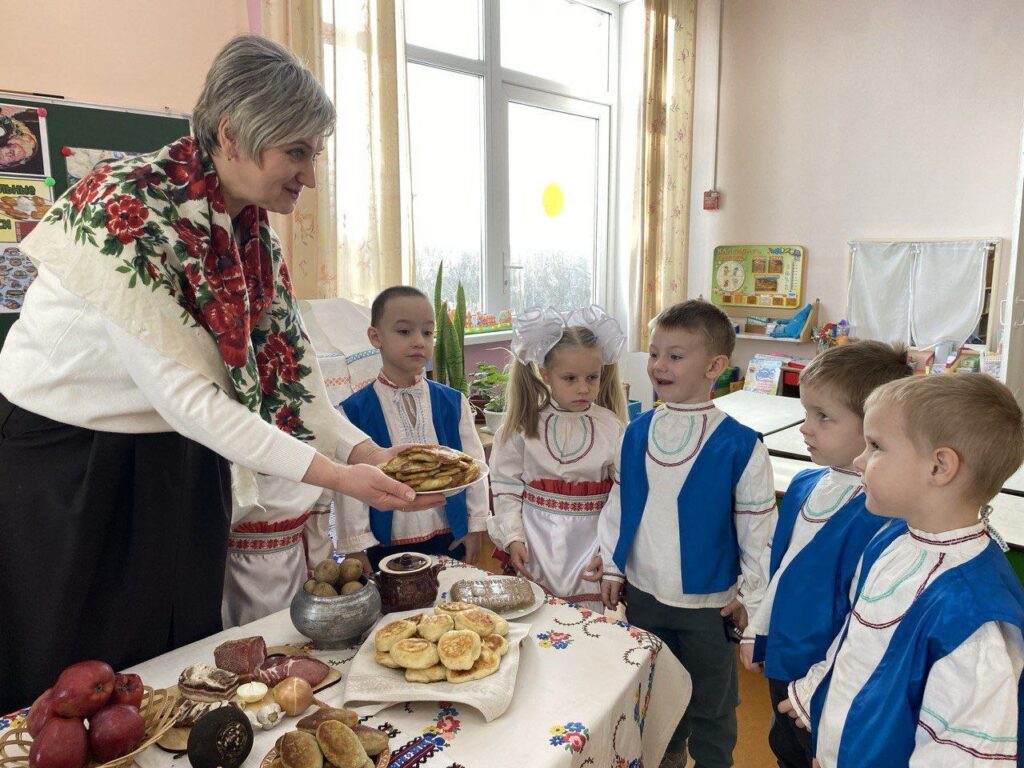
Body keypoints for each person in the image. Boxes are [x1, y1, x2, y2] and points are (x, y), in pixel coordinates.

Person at [0, 35, 441, 712]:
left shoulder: (248, 234)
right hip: (72, 461)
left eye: (313, 153)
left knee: (178, 656)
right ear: (233, 137)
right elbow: (189, 400)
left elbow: (292, 375)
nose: (311, 175)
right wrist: (336, 476)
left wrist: (366, 452)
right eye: (297, 152)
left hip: (171, 453)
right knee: (78, 665)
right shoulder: (130, 208)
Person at [779, 374, 1024, 767]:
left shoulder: (972, 618)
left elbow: (957, 754)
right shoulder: (891, 539)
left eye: (875, 446)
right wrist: (816, 696)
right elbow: (855, 641)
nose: (859, 460)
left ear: (939, 466)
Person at [599, 299, 776, 768]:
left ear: (715, 365)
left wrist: (753, 603)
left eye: (675, 356)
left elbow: (758, 534)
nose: (658, 365)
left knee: (712, 704)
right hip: (644, 595)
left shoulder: (741, 445)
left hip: (709, 604)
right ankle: (666, 756)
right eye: (655, 353)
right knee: (655, 689)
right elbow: (619, 505)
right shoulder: (635, 431)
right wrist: (614, 565)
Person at [740, 341, 913, 768]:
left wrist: (821, 683)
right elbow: (779, 567)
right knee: (785, 747)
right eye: (806, 413)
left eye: (823, 417)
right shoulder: (803, 484)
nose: (805, 428)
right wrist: (755, 631)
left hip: (832, 676)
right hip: (784, 656)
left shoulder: (884, 514)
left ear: (874, 426)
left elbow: (867, 618)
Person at [337, 286, 489, 570]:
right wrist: (356, 546)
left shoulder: (453, 402)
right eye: (405, 332)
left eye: (428, 333)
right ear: (375, 337)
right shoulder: (353, 410)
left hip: (449, 536)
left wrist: (474, 525)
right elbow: (349, 485)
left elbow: (475, 466)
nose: (419, 341)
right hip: (384, 543)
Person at [487, 305, 627, 608]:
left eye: (592, 377)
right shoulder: (523, 425)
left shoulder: (612, 427)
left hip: (590, 549)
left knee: (588, 625)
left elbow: (622, 496)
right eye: (570, 378)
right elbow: (505, 486)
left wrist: (610, 552)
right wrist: (513, 538)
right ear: (545, 374)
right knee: (537, 619)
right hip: (536, 547)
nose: (584, 388)